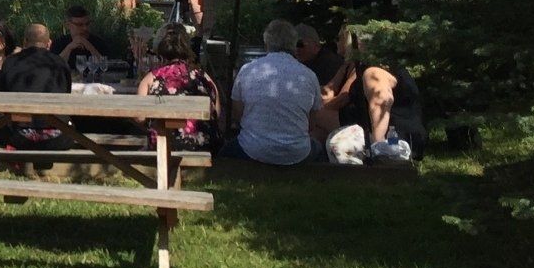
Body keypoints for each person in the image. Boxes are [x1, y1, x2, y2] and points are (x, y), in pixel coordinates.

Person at [295, 23, 418, 159]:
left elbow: (380, 101)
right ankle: (298, 151)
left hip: (395, 136)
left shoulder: (373, 70)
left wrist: (379, 145)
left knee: (314, 115)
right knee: (317, 129)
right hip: (359, 119)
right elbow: (328, 91)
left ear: (353, 42)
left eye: (339, 38)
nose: (336, 42)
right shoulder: (352, 66)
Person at [226, 18, 321, 164]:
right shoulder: (309, 75)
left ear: (266, 43)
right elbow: (311, 123)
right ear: (294, 44)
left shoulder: (248, 70)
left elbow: (238, 114)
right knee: (318, 148)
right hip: (297, 151)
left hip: (253, 148)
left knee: (223, 153)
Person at [134, 23, 219, 151]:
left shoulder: (151, 79)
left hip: (164, 146)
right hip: (205, 146)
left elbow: (139, 117)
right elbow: (217, 113)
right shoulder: (204, 77)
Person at [1, 23, 72, 94]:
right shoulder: (60, 62)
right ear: (49, 43)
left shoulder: (10, 62)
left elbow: (3, 90)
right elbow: (67, 90)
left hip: (17, 104)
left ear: (25, 41)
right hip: (51, 104)